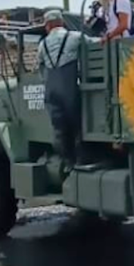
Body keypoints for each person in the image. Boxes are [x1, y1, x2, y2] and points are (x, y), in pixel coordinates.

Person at [38, 9, 88, 174]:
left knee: (59, 129)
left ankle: (68, 162)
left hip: (51, 91)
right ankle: (81, 159)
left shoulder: (42, 45)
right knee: (77, 127)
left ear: (48, 25)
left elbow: (41, 69)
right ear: (61, 23)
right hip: (69, 88)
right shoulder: (74, 37)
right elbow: (94, 43)